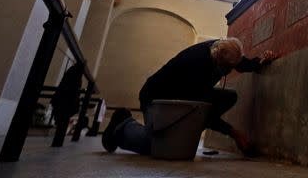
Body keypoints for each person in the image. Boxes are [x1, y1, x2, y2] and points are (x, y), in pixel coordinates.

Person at [101, 37, 275, 156]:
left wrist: (262, 61)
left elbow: (241, 63)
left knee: (229, 97)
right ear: (218, 63)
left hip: (183, 99)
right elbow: (200, 108)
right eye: (227, 69)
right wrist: (234, 133)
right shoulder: (196, 67)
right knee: (158, 147)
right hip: (157, 99)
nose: (230, 71)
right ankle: (123, 126)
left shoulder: (222, 49)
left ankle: (183, 132)